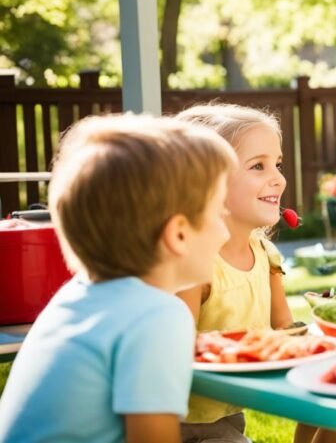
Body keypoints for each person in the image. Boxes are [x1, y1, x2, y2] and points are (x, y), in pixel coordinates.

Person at [0, 115, 236, 443]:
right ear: (179, 234)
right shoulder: (157, 315)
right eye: (219, 214)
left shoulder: (76, 296)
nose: (226, 231)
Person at [175, 104, 336, 443]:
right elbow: (175, 355)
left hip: (230, 419)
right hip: (184, 429)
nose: (278, 178)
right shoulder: (193, 265)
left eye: (276, 164)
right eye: (257, 166)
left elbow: (286, 333)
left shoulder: (265, 254)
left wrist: (328, 348)